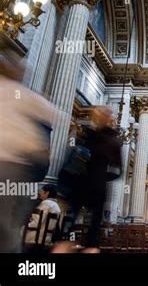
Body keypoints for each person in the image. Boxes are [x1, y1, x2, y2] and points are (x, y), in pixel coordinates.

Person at [0, 53, 59, 253]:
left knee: (7, 221)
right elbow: (56, 114)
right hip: (17, 166)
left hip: (12, 165)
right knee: (10, 222)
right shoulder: (23, 94)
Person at [54, 106, 122, 253]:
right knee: (75, 218)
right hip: (87, 184)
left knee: (88, 222)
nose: (101, 118)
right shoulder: (97, 136)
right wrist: (103, 177)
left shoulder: (107, 139)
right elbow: (117, 171)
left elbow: (117, 170)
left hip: (90, 185)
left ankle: (84, 246)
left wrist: (101, 177)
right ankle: (69, 244)